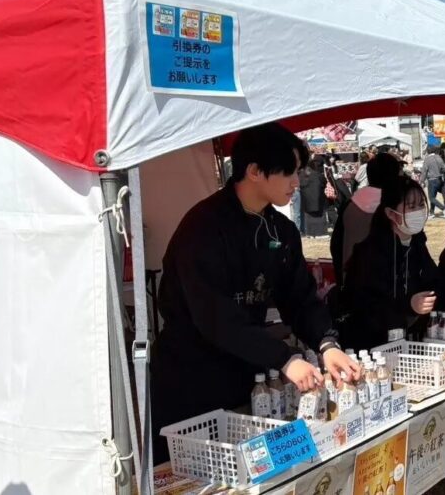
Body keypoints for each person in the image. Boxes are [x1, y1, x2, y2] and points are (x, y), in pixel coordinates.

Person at [151, 123, 360, 463]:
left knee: (250, 468)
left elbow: (300, 297)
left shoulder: (281, 230)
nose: (297, 182)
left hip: (245, 373)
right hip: (190, 376)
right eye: (289, 172)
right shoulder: (202, 228)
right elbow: (214, 317)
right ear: (254, 171)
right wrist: (284, 358)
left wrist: (327, 344)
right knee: (190, 469)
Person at [342, 177, 445, 349]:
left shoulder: (416, 243)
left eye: (421, 205)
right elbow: (366, 303)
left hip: (408, 338)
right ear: (391, 213)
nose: (418, 212)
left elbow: (435, 280)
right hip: (373, 344)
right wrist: (409, 304)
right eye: (411, 207)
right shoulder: (370, 252)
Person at [330, 152, 402, 285]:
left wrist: (342, 280)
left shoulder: (350, 204)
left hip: (353, 281)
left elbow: (336, 245)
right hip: (388, 284)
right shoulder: (395, 206)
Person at [300, 156, 328, 238]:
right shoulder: (317, 174)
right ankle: (320, 233)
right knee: (319, 216)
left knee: (309, 217)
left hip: (306, 199)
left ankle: (310, 233)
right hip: (318, 198)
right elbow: (324, 182)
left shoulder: (301, 174)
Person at [420, 146, 445, 218]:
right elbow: (444, 169)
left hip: (432, 180)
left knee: (431, 198)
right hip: (439, 180)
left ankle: (443, 209)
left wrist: (421, 181)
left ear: (428, 151)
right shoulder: (439, 157)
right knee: (434, 196)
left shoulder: (427, 159)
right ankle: (432, 213)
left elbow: (424, 171)